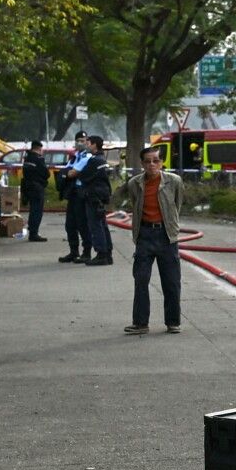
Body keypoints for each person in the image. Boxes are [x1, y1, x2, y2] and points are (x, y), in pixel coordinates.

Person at [119, 145, 184, 334]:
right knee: (141, 279)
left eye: (156, 161)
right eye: (147, 161)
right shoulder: (135, 183)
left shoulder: (174, 181)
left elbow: (177, 204)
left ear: (162, 162)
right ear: (142, 164)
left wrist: (170, 226)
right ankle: (140, 323)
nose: (152, 165)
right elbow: (136, 204)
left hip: (166, 236)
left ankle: (173, 322)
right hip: (144, 236)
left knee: (171, 281)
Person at [57, 131, 92, 263]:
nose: (80, 143)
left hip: (81, 193)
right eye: (78, 140)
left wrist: (67, 173)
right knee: (70, 224)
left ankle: (86, 252)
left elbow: (71, 173)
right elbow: (66, 171)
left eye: (83, 141)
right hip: (73, 193)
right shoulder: (74, 157)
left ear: (87, 142)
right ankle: (74, 251)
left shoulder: (87, 156)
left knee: (82, 224)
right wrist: (67, 172)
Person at [81, 135, 114, 265]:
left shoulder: (94, 160)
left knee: (95, 226)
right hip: (101, 195)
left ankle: (101, 254)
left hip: (94, 196)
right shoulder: (102, 159)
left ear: (94, 145)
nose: (86, 145)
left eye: (88, 143)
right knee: (102, 225)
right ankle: (107, 253)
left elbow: (84, 176)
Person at [21, 140, 50, 241]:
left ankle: (32, 231)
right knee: (37, 211)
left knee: (33, 209)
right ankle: (34, 233)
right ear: (39, 149)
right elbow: (46, 173)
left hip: (28, 186)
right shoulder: (38, 159)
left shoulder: (27, 158)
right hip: (37, 187)